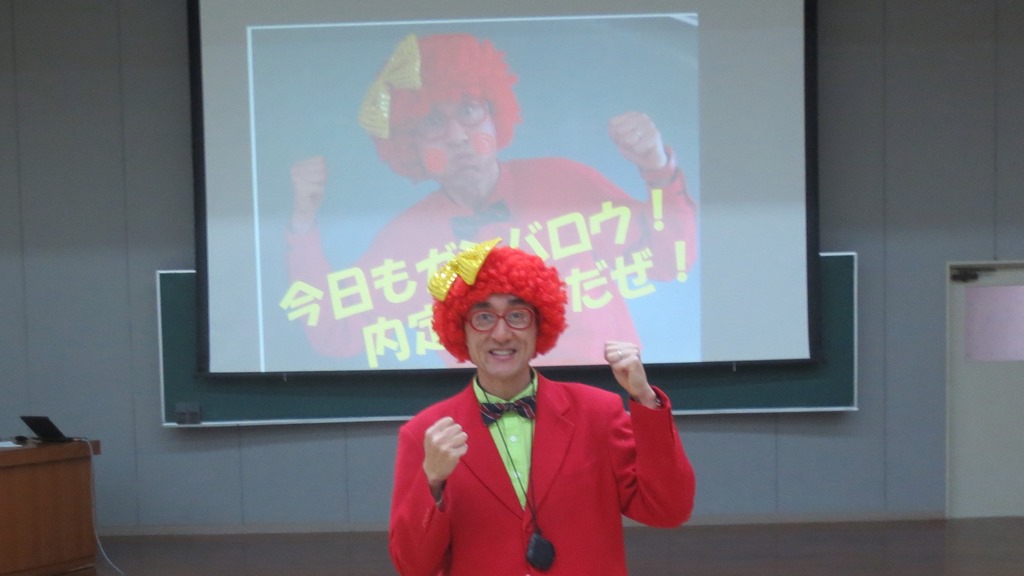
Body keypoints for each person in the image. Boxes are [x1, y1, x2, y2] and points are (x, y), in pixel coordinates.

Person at [284, 32, 699, 369]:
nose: (457, 136)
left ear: (494, 113)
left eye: (469, 111)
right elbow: (336, 333)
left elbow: (670, 259)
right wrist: (303, 224)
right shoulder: (407, 237)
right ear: (409, 144)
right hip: (485, 417)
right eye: (434, 121)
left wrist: (657, 169)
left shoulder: (565, 181)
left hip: (599, 400)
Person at [389, 238, 696, 575]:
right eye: (483, 317)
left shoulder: (598, 413)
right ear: (461, 329)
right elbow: (412, 566)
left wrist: (645, 399)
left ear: (539, 325)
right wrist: (431, 482)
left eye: (517, 315)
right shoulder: (425, 434)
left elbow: (669, 510)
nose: (501, 334)